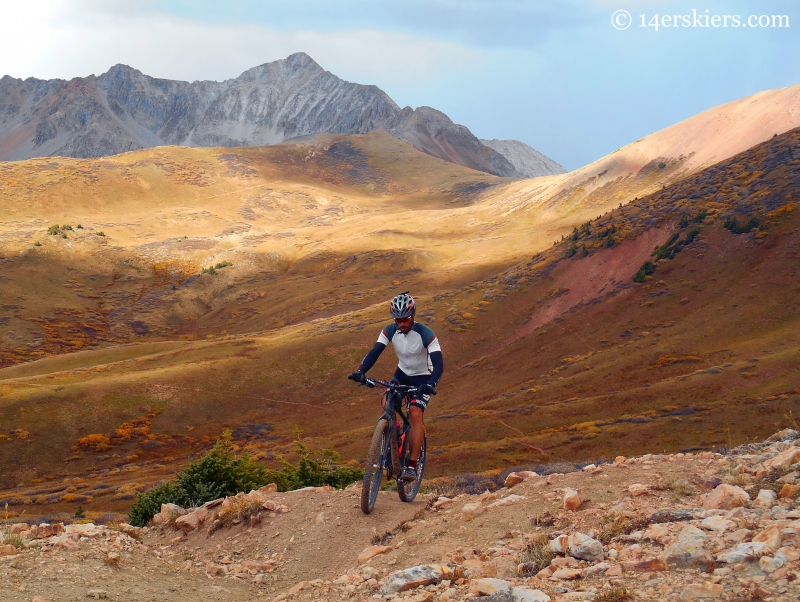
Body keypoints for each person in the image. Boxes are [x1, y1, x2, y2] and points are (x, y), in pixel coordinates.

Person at [348, 292, 443, 481]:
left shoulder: (426, 334)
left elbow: (439, 364)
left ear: (413, 315)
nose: (402, 323)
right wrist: (361, 371)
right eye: (398, 319)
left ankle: (412, 465)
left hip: (423, 377)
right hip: (402, 374)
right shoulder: (389, 331)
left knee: (415, 413)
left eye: (405, 319)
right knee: (386, 402)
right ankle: (395, 432)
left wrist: (430, 384)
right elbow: (375, 352)